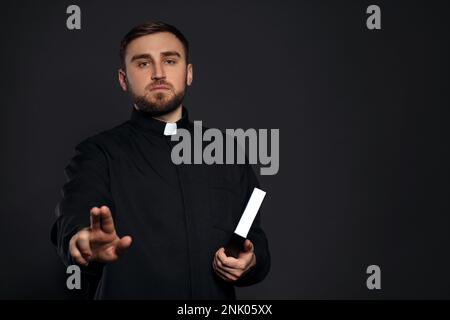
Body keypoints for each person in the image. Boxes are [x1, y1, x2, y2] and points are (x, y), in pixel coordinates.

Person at [51, 21, 270, 299]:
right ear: (123, 79)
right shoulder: (97, 153)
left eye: (169, 60)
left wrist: (251, 261)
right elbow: (74, 218)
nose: (158, 73)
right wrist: (80, 241)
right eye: (143, 64)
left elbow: (255, 237)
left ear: (188, 73)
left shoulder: (227, 151)